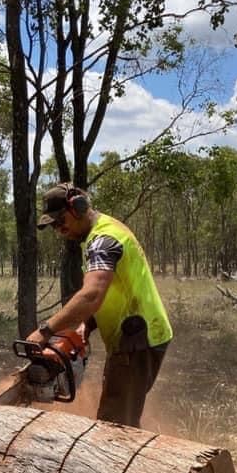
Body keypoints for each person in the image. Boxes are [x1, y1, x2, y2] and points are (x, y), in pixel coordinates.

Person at [27, 182, 172, 428]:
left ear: (78, 207)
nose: (59, 229)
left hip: (136, 341)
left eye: (61, 220)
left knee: (115, 427)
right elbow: (113, 291)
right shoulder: (105, 232)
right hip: (137, 337)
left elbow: (92, 294)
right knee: (119, 417)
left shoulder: (103, 241)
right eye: (54, 225)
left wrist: (45, 331)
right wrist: (85, 325)